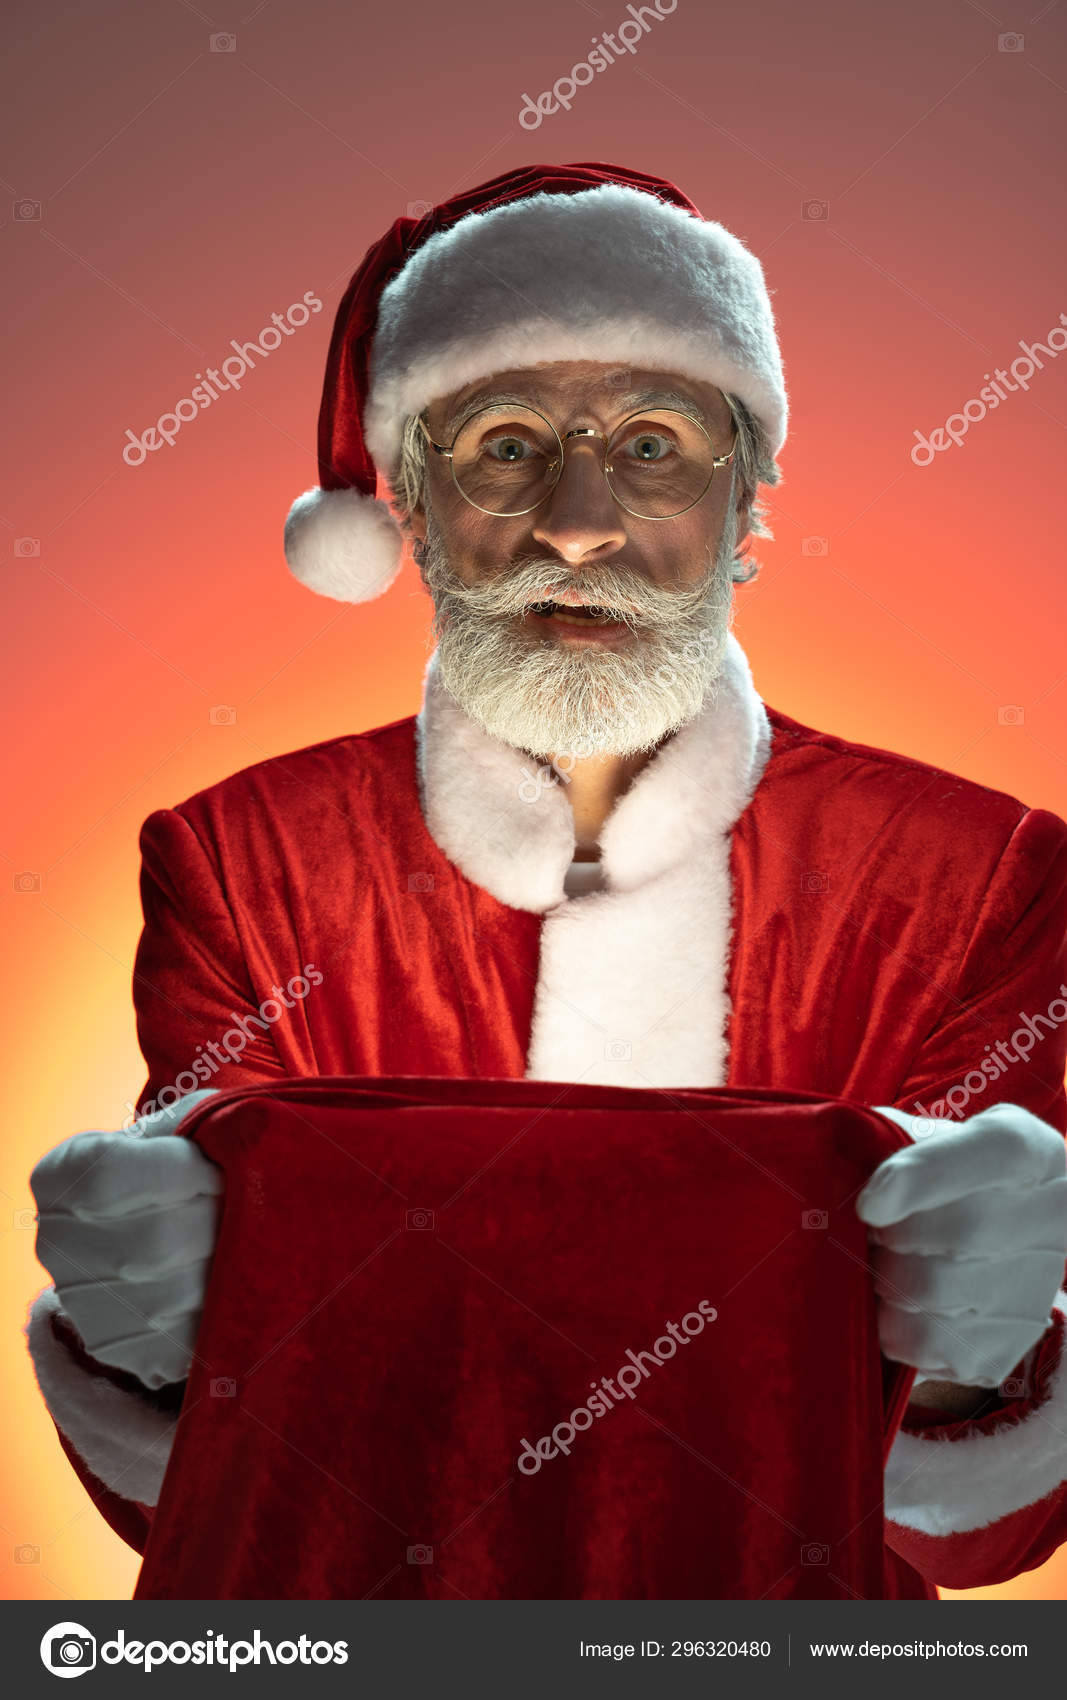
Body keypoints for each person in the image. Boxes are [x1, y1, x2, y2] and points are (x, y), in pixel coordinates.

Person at [25, 161, 1067, 1600]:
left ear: (751, 497)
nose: (578, 522)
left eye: (651, 445)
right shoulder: (239, 859)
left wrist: (986, 1364)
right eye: (507, 444)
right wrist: (147, 1333)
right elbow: (217, 1506)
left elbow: (984, 1533)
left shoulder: (983, 875)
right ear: (407, 499)